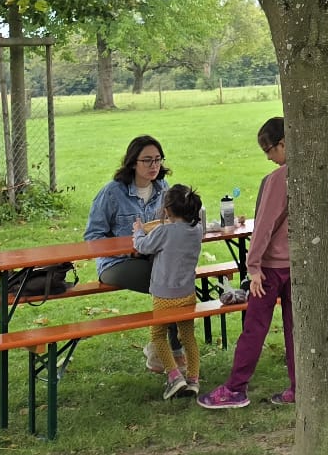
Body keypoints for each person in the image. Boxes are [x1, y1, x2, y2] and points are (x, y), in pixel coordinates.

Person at [199, 117, 294, 409]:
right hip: (298, 265)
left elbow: (264, 225)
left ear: (282, 143)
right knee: (296, 329)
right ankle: (299, 386)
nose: (268, 157)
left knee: (254, 328)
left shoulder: (278, 179)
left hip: (269, 269)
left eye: (269, 150)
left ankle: (235, 389)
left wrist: (253, 267)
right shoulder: (312, 171)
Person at [84, 134, 186, 373]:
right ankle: (168, 349)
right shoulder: (112, 192)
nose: (154, 165)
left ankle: (166, 348)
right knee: (168, 280)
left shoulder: (164, 188)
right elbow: (93, 237)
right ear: (132, 162)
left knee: (175, 276)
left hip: (153, 259)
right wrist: (130, 252)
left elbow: (172, 223)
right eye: (147, 160)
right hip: (115, 263)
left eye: (158, 159)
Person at [133, 184, 207, 399]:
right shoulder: (197, 230)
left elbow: (143, 246)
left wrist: (138, 231)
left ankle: (174, 376)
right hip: (187, 293)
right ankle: (193, 379)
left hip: (163, 295)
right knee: (188, 336)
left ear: (167, 210)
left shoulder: (164, 231)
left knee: (157, 336)